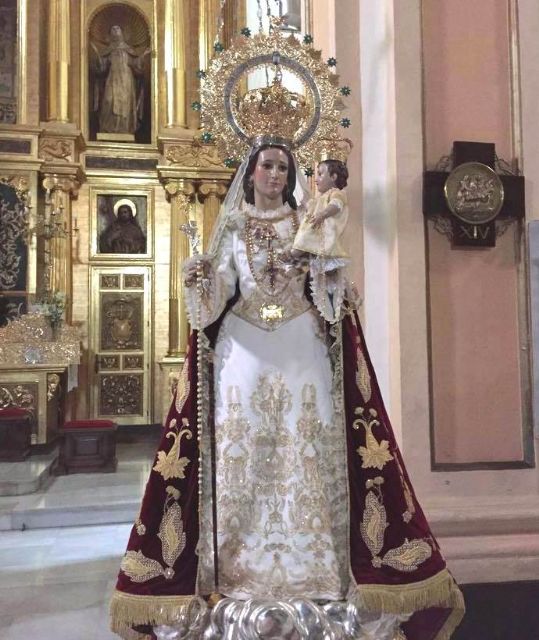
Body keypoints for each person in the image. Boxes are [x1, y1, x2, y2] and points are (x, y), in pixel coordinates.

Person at [110, 139, 464, 640]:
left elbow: (331, 295)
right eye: (267, 165)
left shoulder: (310, 220)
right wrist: (198, 279)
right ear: (250, 171)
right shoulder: (232, 226)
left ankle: (317, 571)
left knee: (307, 453)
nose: (275, 174)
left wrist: (328, 269)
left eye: (283, 167)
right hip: (243, 356)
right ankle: (236, 572)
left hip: (303, 352)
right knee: (246, 456)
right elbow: (214, 304)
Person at [292, 158, 350, 272]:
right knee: (305, 235)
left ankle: (295, 253)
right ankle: (298, 256)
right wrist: (305, 203)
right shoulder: (320, 197)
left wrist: (323, 214)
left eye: (320, 174)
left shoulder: (337, 193)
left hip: (325, 231)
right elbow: (312, 208)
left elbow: (336, 205)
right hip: (317, 229)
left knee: (305, 236)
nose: (316, 179)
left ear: (333, 177)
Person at [91, 25, 150, 135]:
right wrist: (97, 56)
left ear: (123, 32)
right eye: (112, 29)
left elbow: (136, 65)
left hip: (126, 80)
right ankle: (108, 128)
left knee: (125, 105)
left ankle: (125, 130)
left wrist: (143, 56)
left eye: (117, 28)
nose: (115, 31)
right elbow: (102, 68)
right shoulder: (107, 51)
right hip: (112, 79)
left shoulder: (129, 50)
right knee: (109, 100)